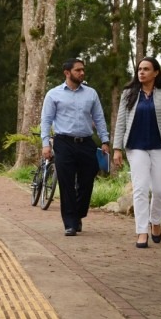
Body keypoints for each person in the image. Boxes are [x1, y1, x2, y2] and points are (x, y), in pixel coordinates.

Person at [112, 57, 161, 248]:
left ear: (156, 72)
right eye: (139, 69)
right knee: (141, 189)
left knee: (160, 190)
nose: (141, 72)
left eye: (146, 69)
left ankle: (156, 221)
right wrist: (117, 149)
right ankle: (142, 231)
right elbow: (120, 122)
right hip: (136, 147)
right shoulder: (128, 93)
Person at [40, 58, 110, 237]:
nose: (82, 73)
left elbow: (99, 118)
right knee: (66, 182)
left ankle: (78, 213)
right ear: (67, 73)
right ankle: (70, 223)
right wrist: (45, 144)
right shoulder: (53, 94)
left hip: (86, 142)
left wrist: (105, 140)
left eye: (83, 70)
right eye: (78, 70)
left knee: (87, 179)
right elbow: (46, 121)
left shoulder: (91, 94)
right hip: (63, 142)